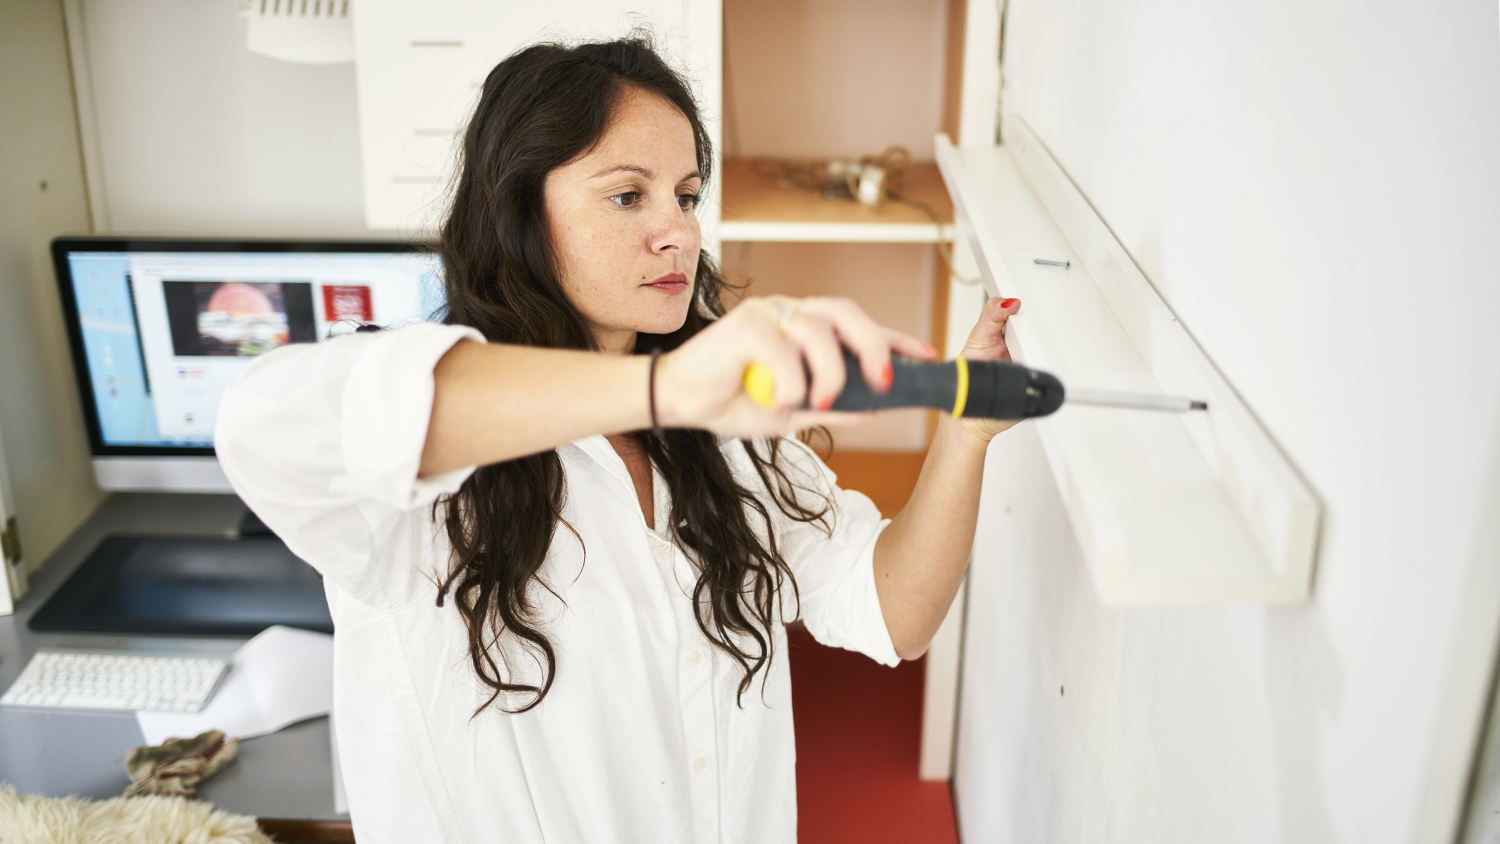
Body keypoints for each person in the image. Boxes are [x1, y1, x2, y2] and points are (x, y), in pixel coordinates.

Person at [216, 36, 1021, 844]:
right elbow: (259, 425)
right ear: (520, 211)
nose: (677, 231)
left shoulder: (725, 437)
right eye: (628, 196)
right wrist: (666, 391)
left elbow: (894, 612)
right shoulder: (431, 449)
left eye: (686, 193)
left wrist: (967, 438)